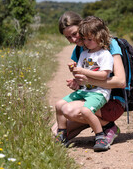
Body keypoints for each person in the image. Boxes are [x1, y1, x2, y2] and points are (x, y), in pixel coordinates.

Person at [51, 11, 126, 148]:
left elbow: (120, 82)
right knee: (53, 132)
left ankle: (109, 127)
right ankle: (92, 123)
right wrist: (77, 82)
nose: (73, 40)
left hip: (112, 100)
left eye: (75, 34)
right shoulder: (81, 51)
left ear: (82, 26)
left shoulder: (110, 45)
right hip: (89, 96)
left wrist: (87, 81)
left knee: (70, 111)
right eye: (68, 37)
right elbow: (84, 78)